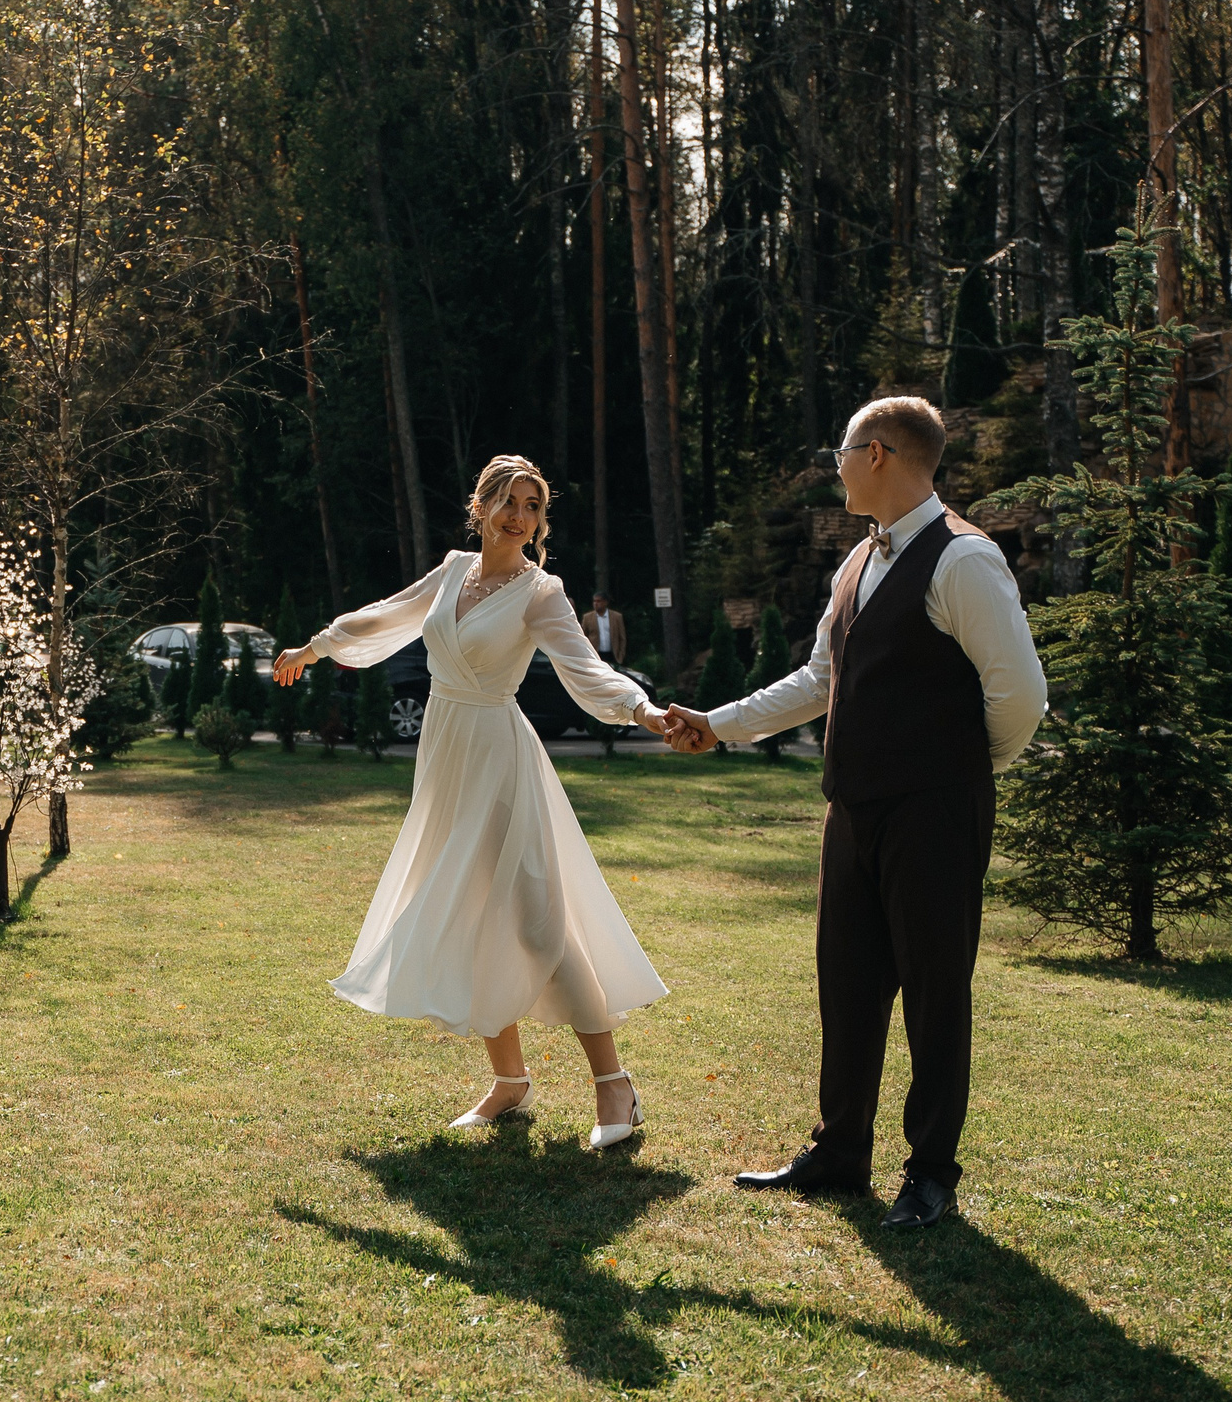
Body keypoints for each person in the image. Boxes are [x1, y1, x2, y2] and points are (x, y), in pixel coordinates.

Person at [661, 397, 1046, 1228]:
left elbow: (1022, 697)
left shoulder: (964, 561)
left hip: (937, 811)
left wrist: (958, 777)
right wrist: (718, 726)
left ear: (877, 454)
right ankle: (840, 1153)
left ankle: (932, 1173)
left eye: (840, 450)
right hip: (854, 810)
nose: (833, 464)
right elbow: (818, 681)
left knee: (937, 992)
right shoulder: (857, 562)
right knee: (849, 983)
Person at [274, 456, 671, 1147]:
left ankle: (615, 1087)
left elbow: (586, 671)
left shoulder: (541, 592)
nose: (521, 516)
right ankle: (509, 1081)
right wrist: (314, 648)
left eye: (533, 507)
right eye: (509, 502)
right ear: (481, 506)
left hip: (499, 754)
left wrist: (642, 710)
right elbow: (386, 615)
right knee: (471, 911)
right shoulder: (454, 571)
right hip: (447, 752)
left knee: (540, 922)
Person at [580, 592, 627, 664]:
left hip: (613, 655)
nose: (595, 603)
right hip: (596, 654)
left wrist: (620, 656)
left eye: (598, 601)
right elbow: (583, 636)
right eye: (594, 601)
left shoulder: (617, 617)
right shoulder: (587, 617)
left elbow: (622, 638)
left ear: (605, 602)